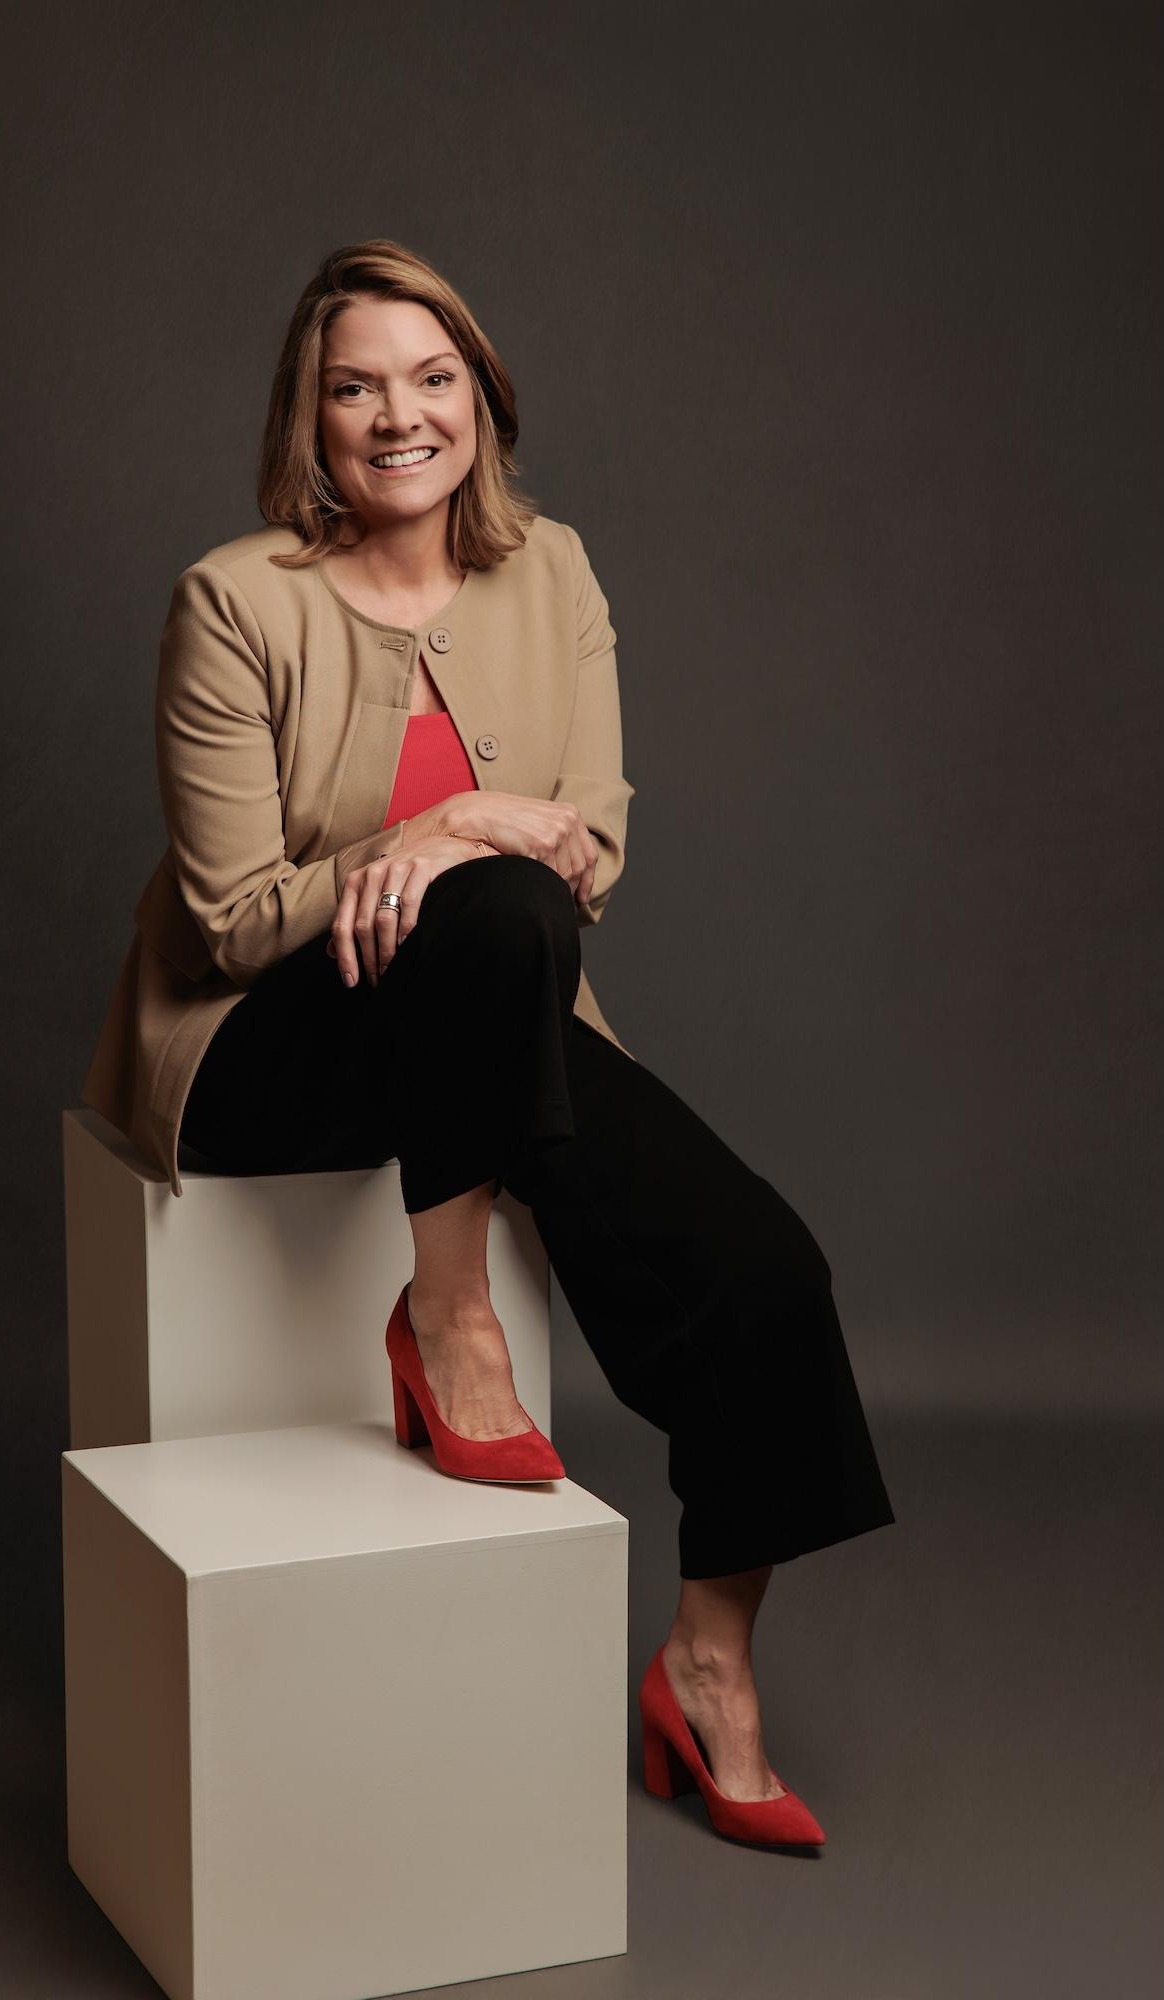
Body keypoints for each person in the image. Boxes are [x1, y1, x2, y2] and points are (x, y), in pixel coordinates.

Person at [80, 238, 896, 1851]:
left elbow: (588, 852)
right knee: (491, 904)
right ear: (307, 424)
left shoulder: (555, 572)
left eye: (431, 377)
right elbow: (237, 920)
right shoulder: (233, 602)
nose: (399, 416)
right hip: (270, 1042)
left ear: (481, 398)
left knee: (763, 1273)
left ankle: (706, 1666)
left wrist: (472, 851)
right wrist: (449, 824)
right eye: (355, 387)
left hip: (488, 1013)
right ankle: (445, 1324)